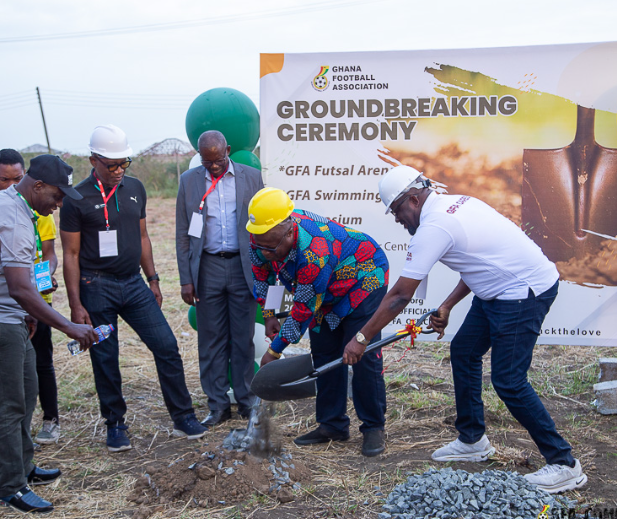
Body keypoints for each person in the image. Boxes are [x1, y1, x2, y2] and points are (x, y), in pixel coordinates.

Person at [342, 165, 587, 494]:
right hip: (498, 290)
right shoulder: (458, 203)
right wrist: (447, 305)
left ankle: (564, 464)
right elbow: (478, 263)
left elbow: (400, 295)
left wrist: (362, 338)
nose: (397, 219)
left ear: (413, 199)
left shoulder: (436, 225)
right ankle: (473, 439)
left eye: (397, 210)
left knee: (509, 380)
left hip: (522, 293)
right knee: (465, 351)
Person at [0, 154, 97, 513]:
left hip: (8, 317)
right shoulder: (12, 215)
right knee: (4, 405)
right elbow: (19, 287)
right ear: (37, 186)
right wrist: (68, 325)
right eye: (57, 196)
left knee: (26, 391)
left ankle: (22, 466)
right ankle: (10, 487)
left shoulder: (11, 204)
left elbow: (19, 280)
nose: (60, 204)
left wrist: (28, 315)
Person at [60, 124, 207, 452]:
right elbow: (70, 254)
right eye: (111, 164)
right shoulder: (76, 198)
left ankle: (183, 417)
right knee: (106, 357)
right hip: (95, 286)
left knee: (167, 346)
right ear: (92, 160)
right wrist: (75, 304)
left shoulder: (135, 188)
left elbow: (142, 237)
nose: (118, 170)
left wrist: (153, 279)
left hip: (133, 284)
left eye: (123, 163)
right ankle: (115, 425)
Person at [249, 188, 390, 457]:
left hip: (364, 278)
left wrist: (273, 351)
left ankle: (373, 426)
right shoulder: (259, 236)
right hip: (325, 293)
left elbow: (302, 310)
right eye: (260, 245)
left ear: (289, 231)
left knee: (361, 353)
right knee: (324, 352)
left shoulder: (314, 252)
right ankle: (332, 425)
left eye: (272, 246)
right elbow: (261, 278)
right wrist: (268, 315)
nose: (266, 252)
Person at [176, 131, 264, 427]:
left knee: (243, 339)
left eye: (218, 159)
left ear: (228, 150)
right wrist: (186, 278)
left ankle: (246, 401)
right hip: (208, 268)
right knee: (211, 340)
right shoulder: (189, 181)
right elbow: (182, 232)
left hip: (242, 267)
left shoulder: (251, 177)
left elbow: (261, 225)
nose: (213, 166)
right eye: (206, 161)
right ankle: (217, 405)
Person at [0, 149, 61, 444]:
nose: (9, 184)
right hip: (8, 302)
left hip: (37, 299)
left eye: (16, 178)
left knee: (42, 362)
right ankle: (15, 428)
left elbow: (49, 255)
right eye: (3, 179)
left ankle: (50, 419)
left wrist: (44, 280)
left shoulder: (41, 209)